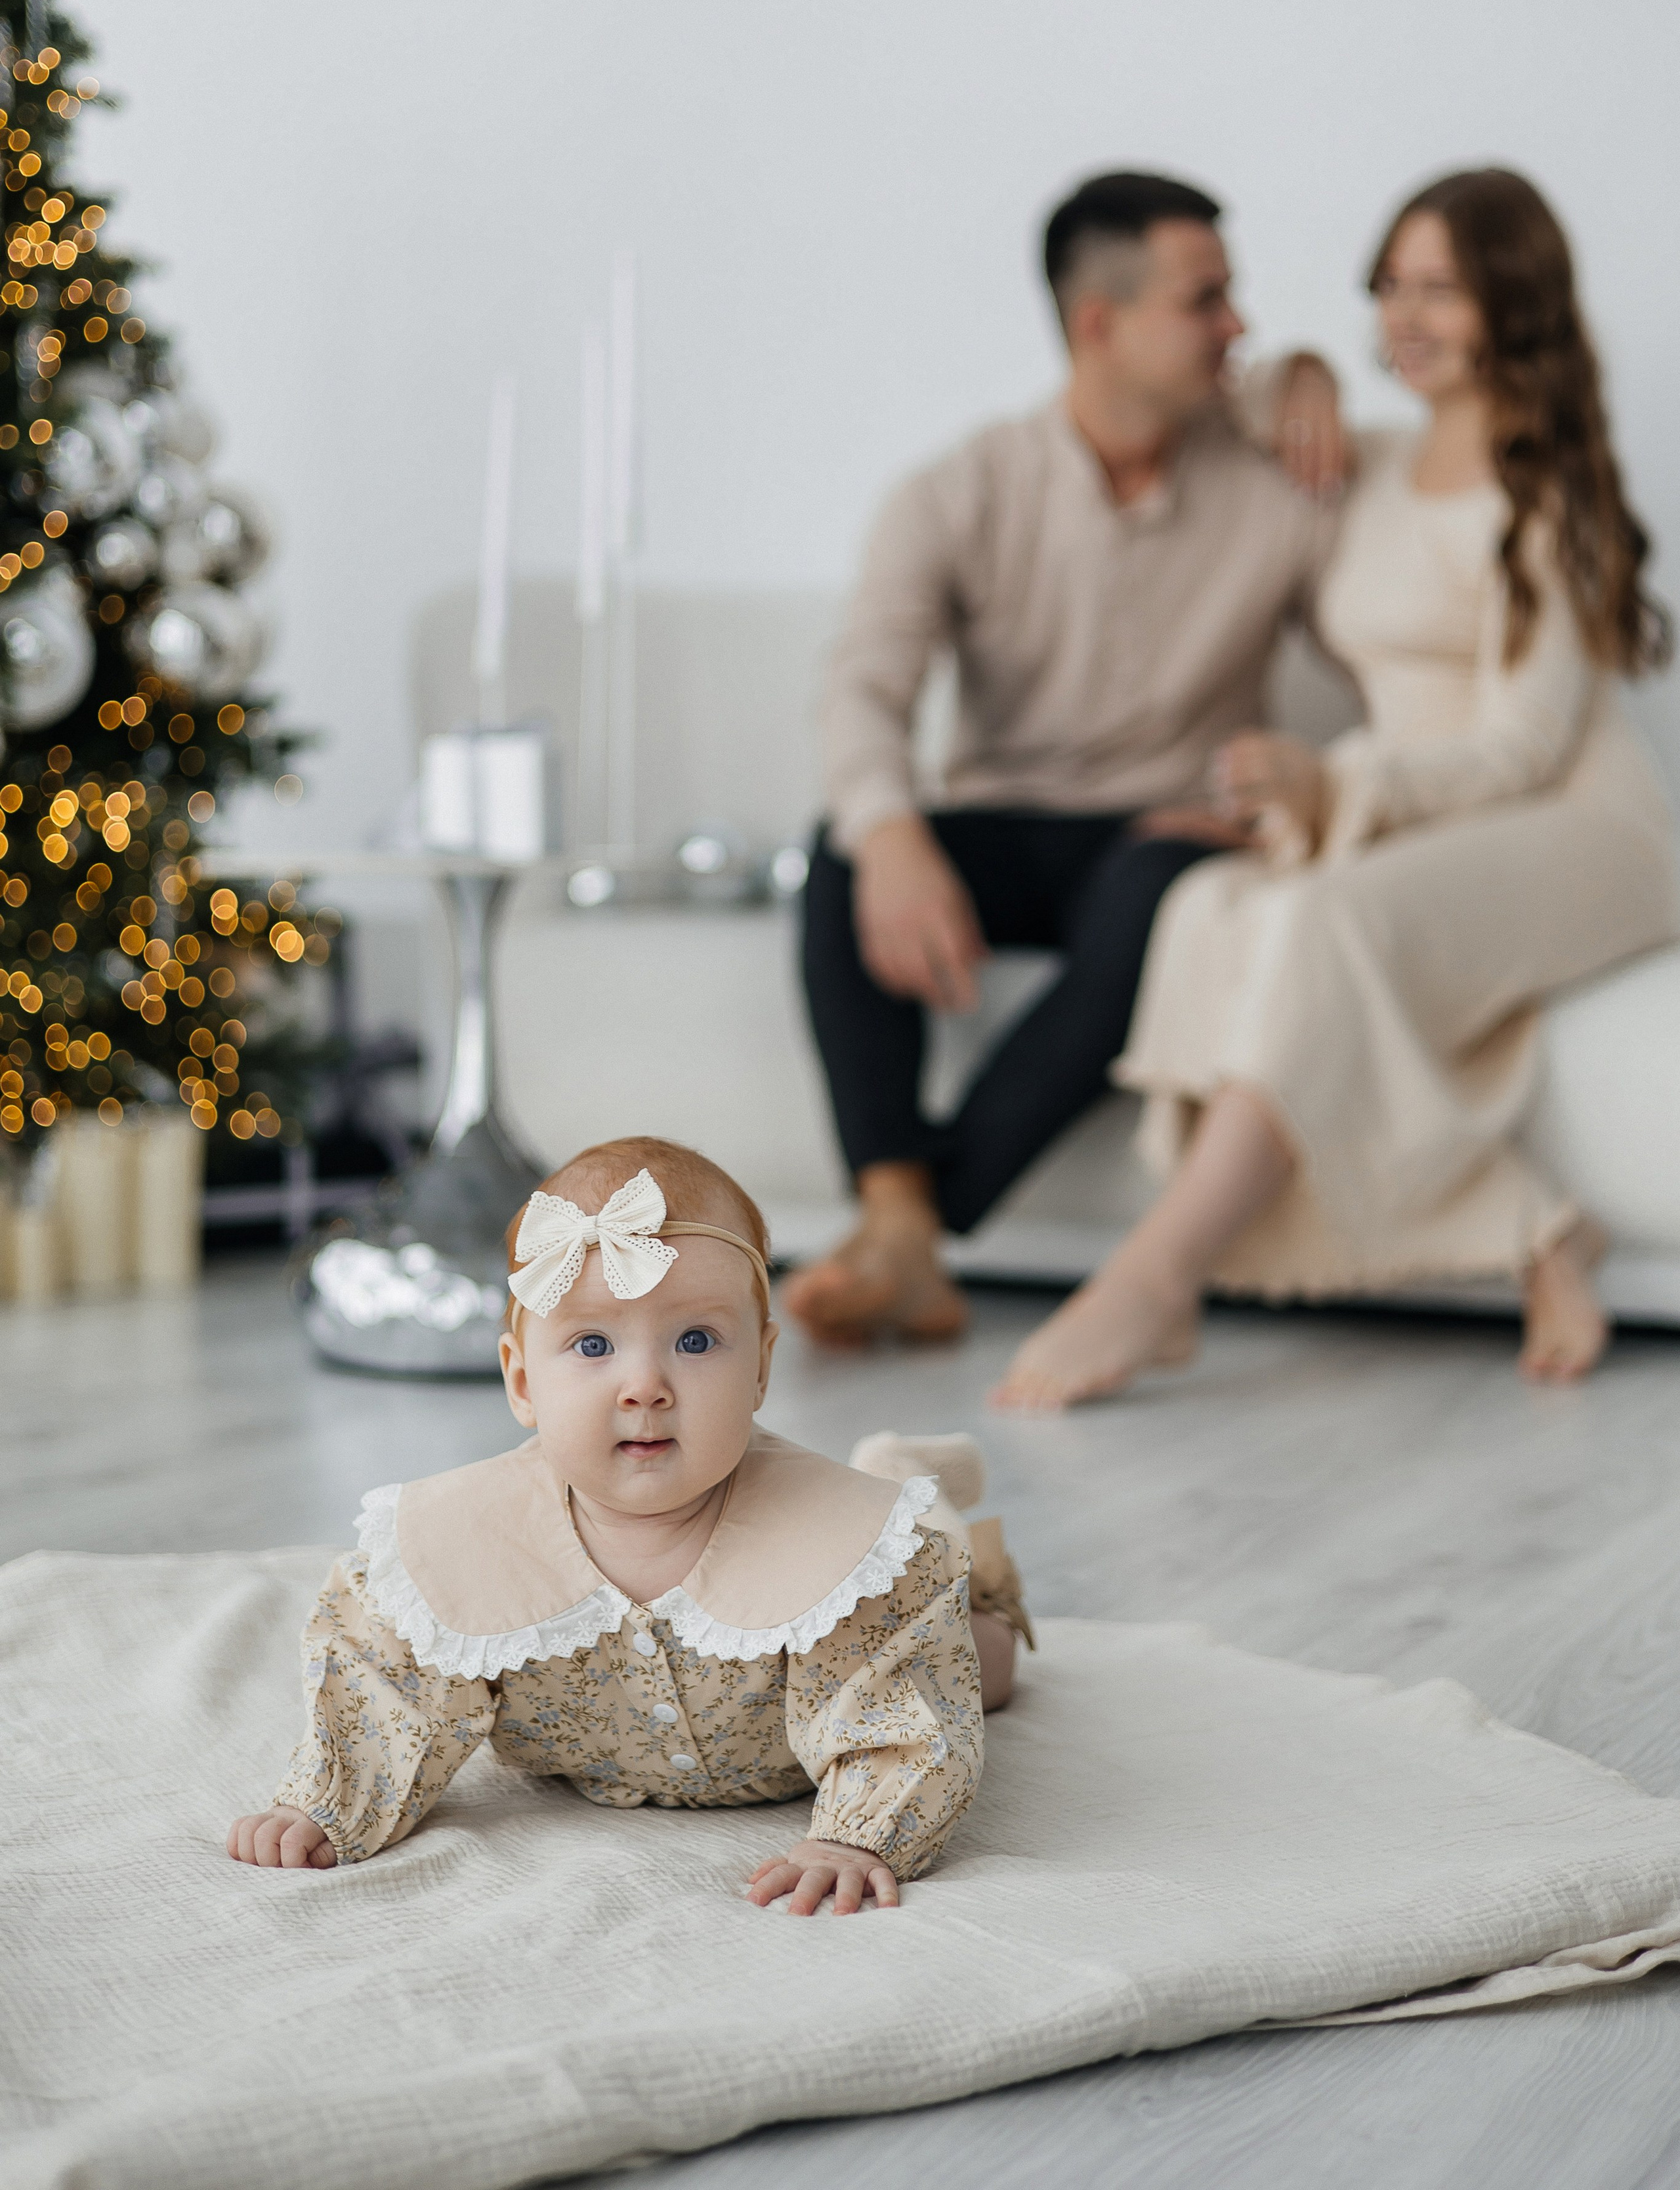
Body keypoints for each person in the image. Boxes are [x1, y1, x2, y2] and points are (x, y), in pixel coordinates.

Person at [993, 167, 1679, 1410]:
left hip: (1581, 826)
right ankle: (1529, 1225)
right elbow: (1215, 386)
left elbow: (1525, 749)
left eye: (1442, 291)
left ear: (1514, 307)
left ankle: (1160, 1275)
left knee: (1329, 922)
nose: (1405, 319)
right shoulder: (1356, 460)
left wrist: (1333, 783)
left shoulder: (1553, 493)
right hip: (1419, 813)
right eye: (1389, 288)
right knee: (1209, 912)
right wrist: (1302, 365)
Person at [788, 171, 1337, 1345]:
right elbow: (865, 689)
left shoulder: (1277, 485)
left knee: (1155, 885)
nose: (1239, 325)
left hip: (1166, 836)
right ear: (1102, 322)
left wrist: (1319, 379)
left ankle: (914, 1229)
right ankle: (897, 1217)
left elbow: (1399, 627)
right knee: (840, 856)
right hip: (1012, 818)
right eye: (1208, 300)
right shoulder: (960, 490)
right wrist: (890, 836)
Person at [228, 1138, 1030, 1917]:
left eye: (695, 1341)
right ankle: (890, 1463)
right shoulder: (461, 1546)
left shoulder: (836, 1557)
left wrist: (862, 1838)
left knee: (976, 1662)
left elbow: (902, 1716)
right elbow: (386, 1681)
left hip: (816, 1720)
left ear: (759, 1368)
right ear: (521, 1380)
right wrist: (330, 1804)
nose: (644, 1385)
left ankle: (913, 1487)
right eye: (591, 1343)